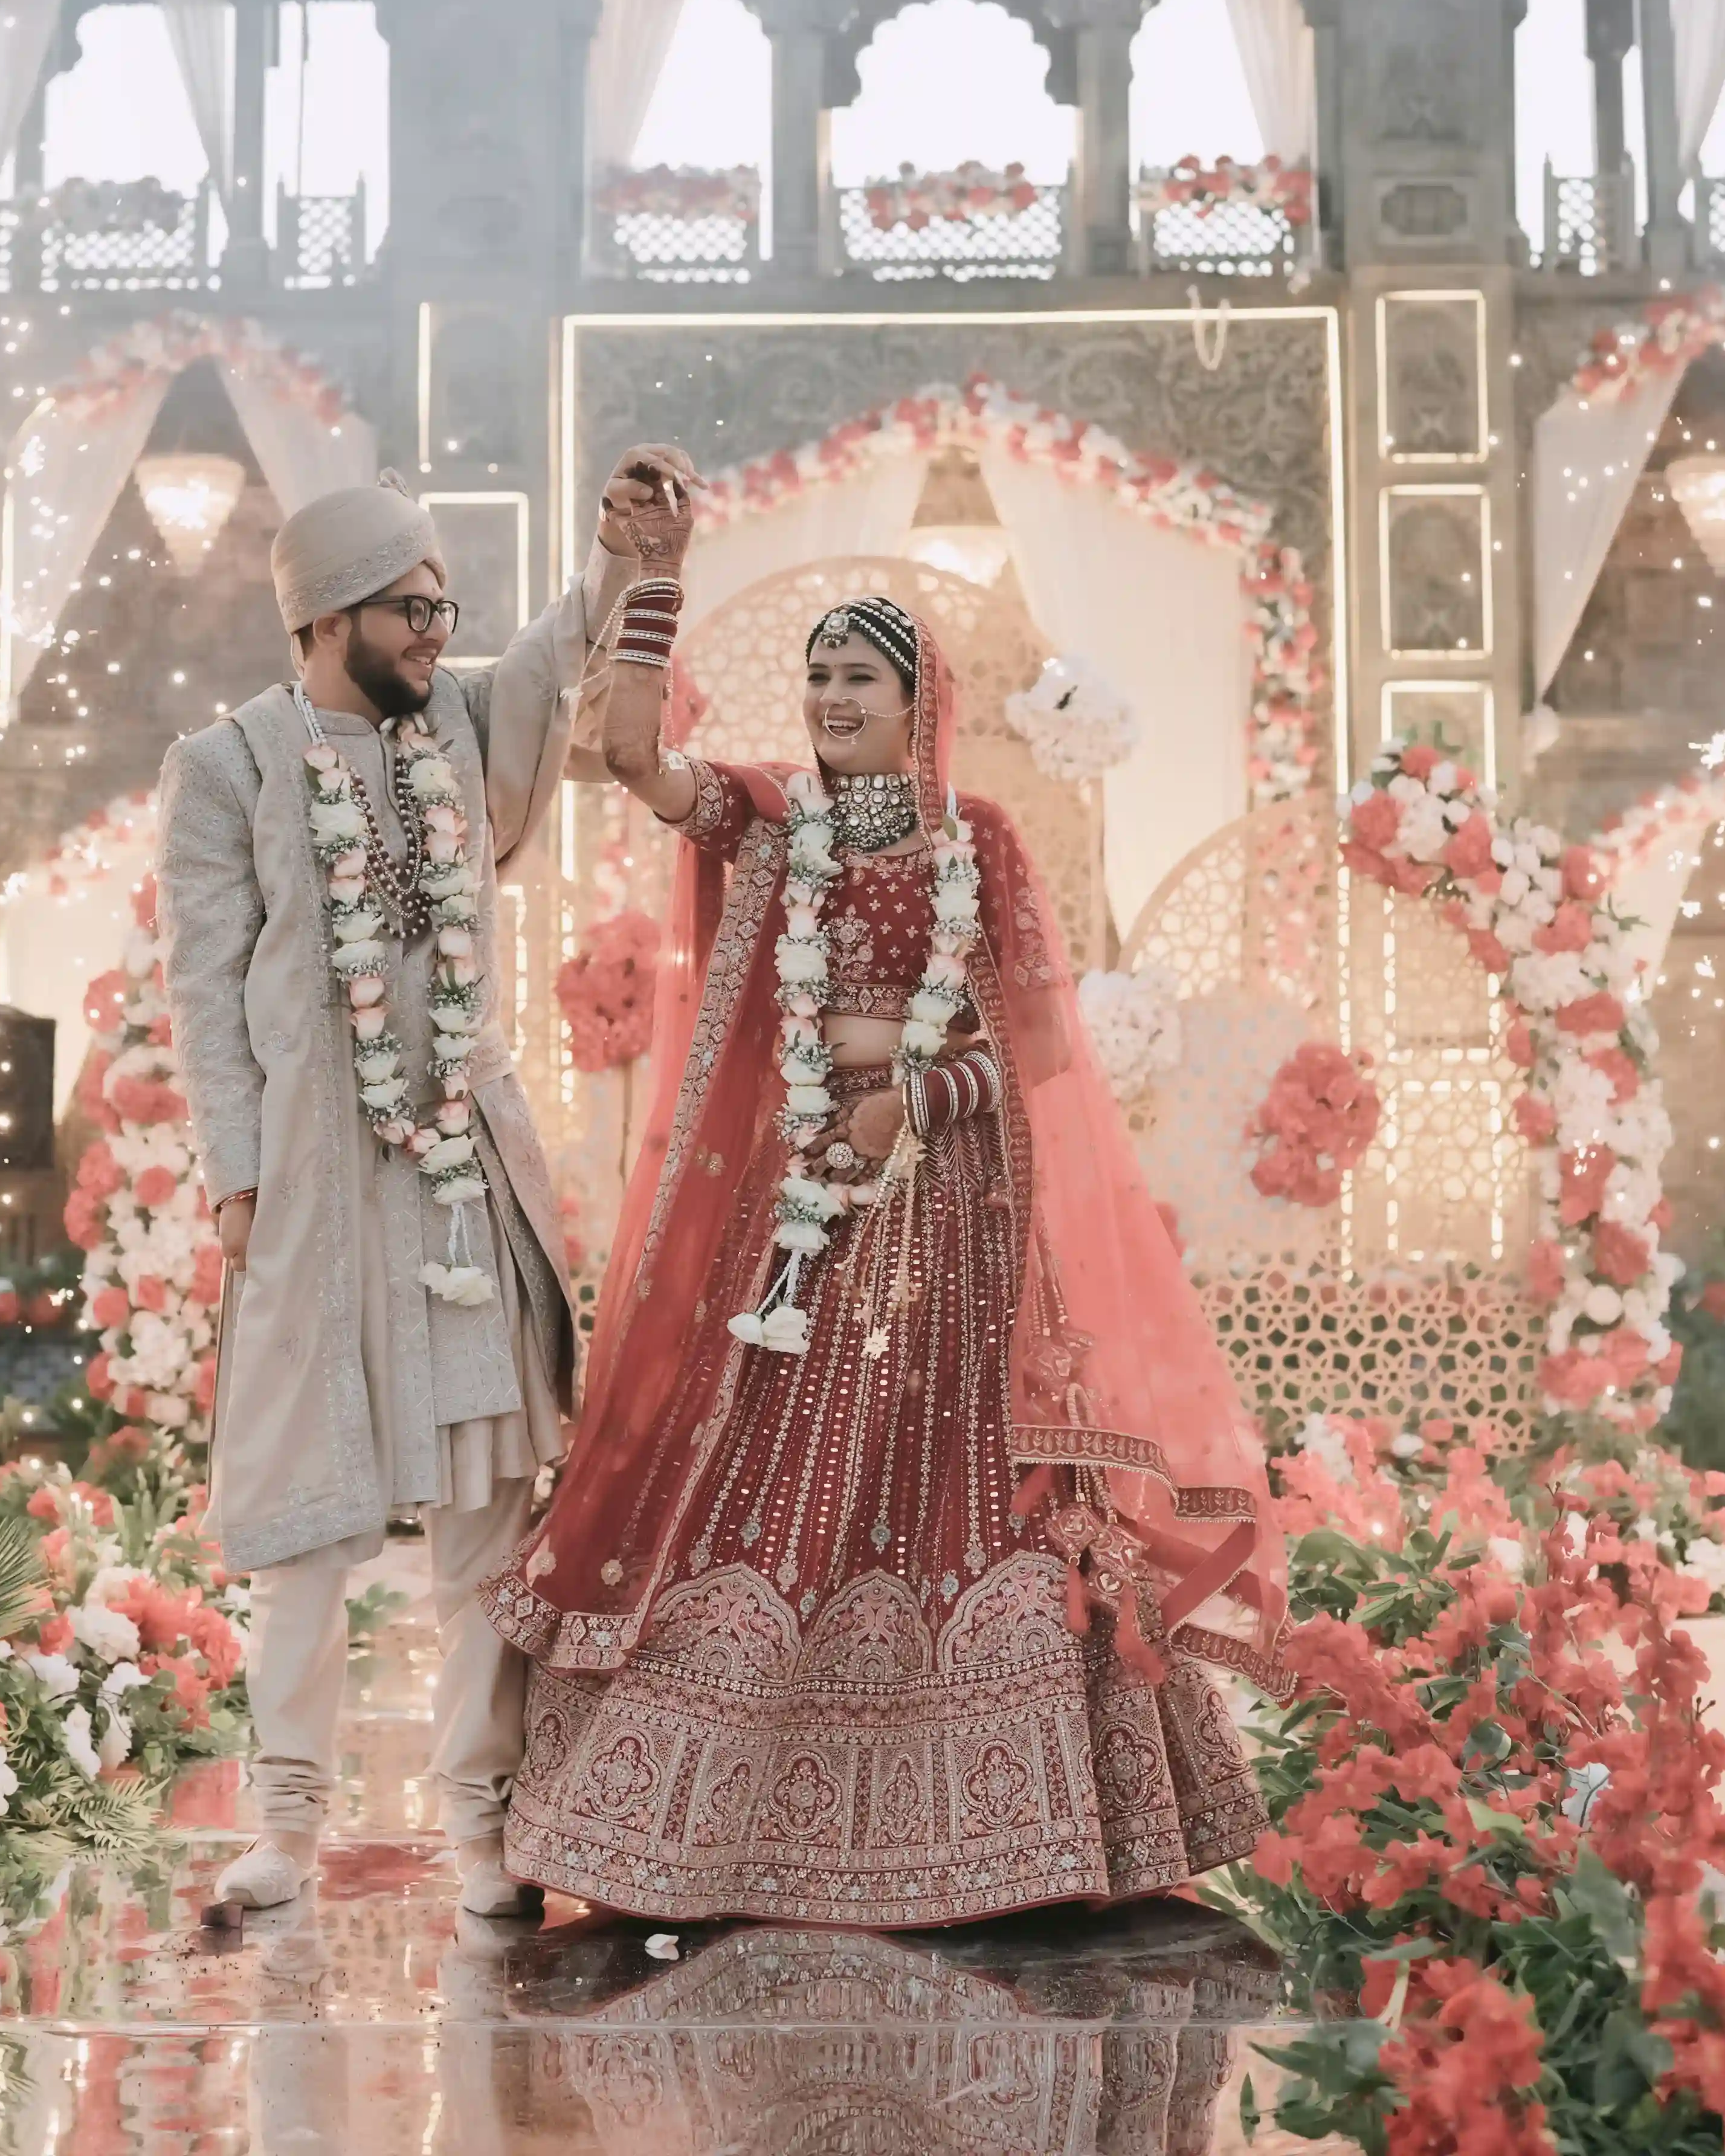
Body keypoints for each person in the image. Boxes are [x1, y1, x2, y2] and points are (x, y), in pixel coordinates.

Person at [486, 567, 1279, 1928]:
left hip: (949, 1208)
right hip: (798, 1209)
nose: (832, 698)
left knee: (952, 1483)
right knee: (760, 1471)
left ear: (920, 702)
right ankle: (709, 1828)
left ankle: (1005, 1824)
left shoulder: (982, 839)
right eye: (817, 676)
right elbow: (627, 756)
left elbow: (1035, 1052)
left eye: (860, 677)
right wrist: (655, 572)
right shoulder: (775, 821)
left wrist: (914, 1094)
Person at [160, 450, 697, 1922]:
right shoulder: (231, 766)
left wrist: (618, 565)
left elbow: (540, 668)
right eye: (409, 609)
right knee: (304, 1519)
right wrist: (238, 1186)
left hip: (461, 1160)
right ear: (327, 618)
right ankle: (285, 1822)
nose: (436, 630)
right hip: (316, 1179)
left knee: (486, 1515)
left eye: (443, 602)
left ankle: (482, 1824)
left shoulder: (459, 727)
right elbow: (205, 995)